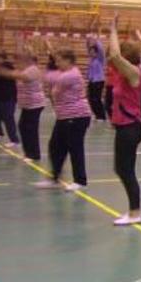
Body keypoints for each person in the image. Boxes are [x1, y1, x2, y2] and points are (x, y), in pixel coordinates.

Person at [34, 45, 92, 192]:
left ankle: (80, 181)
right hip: (64, 117)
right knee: (55, 146)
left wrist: (32, 72)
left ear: (69, 61)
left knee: (75, 148)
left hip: (77, 116)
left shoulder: (71, 75)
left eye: (60, 61)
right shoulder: (64, 72)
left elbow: (51, 82)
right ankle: (55, 178)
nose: (57, 64)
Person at [108, 17, 141, 225]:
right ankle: (136, 205)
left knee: (125, 169)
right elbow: (113, 54)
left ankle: (135, 212)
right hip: (125, 127)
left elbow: (114, 54)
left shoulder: (134, 73)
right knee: (123, 168)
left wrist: (113, 29)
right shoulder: (125, 73)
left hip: (130, 127)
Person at [0, 44, 46, 161]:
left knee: (31, 128)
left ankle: (34, 154)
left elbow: (22, 76)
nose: (19, 59)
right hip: (27, 104)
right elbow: (18, 73)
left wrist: (3, 72)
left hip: (35, 104)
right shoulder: (24, 68)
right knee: (23, 126)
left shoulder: (33, 69)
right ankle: (28, 153)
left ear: (28, 58)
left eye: (22, 57)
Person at [86, 35, 107, 122]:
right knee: (91, 99)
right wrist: (88, 41)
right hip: (92, 81)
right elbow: (87, 47)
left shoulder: (100, 59)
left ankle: (101, 116)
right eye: (90, 52)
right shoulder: (91, 60)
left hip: (99, 81)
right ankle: (96, 114)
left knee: (97, 99)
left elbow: (101, 49)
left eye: (93, 52)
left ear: (96, 52)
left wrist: (96, 40)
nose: (91, 53)